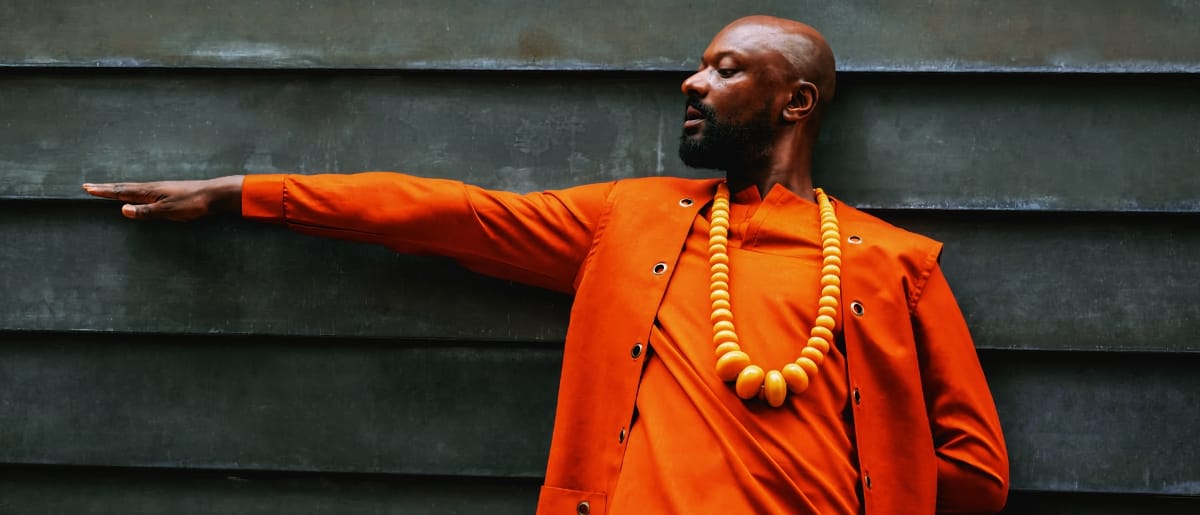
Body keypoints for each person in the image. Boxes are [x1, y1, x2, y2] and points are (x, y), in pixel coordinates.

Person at [83, 15, 1009, 515]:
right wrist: (246, 189)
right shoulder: (631, 219)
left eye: (726, 70)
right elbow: (447, 213)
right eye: (699, 66)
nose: (692, 82)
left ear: (796, 100)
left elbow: (976, 469)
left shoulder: (894, 263)